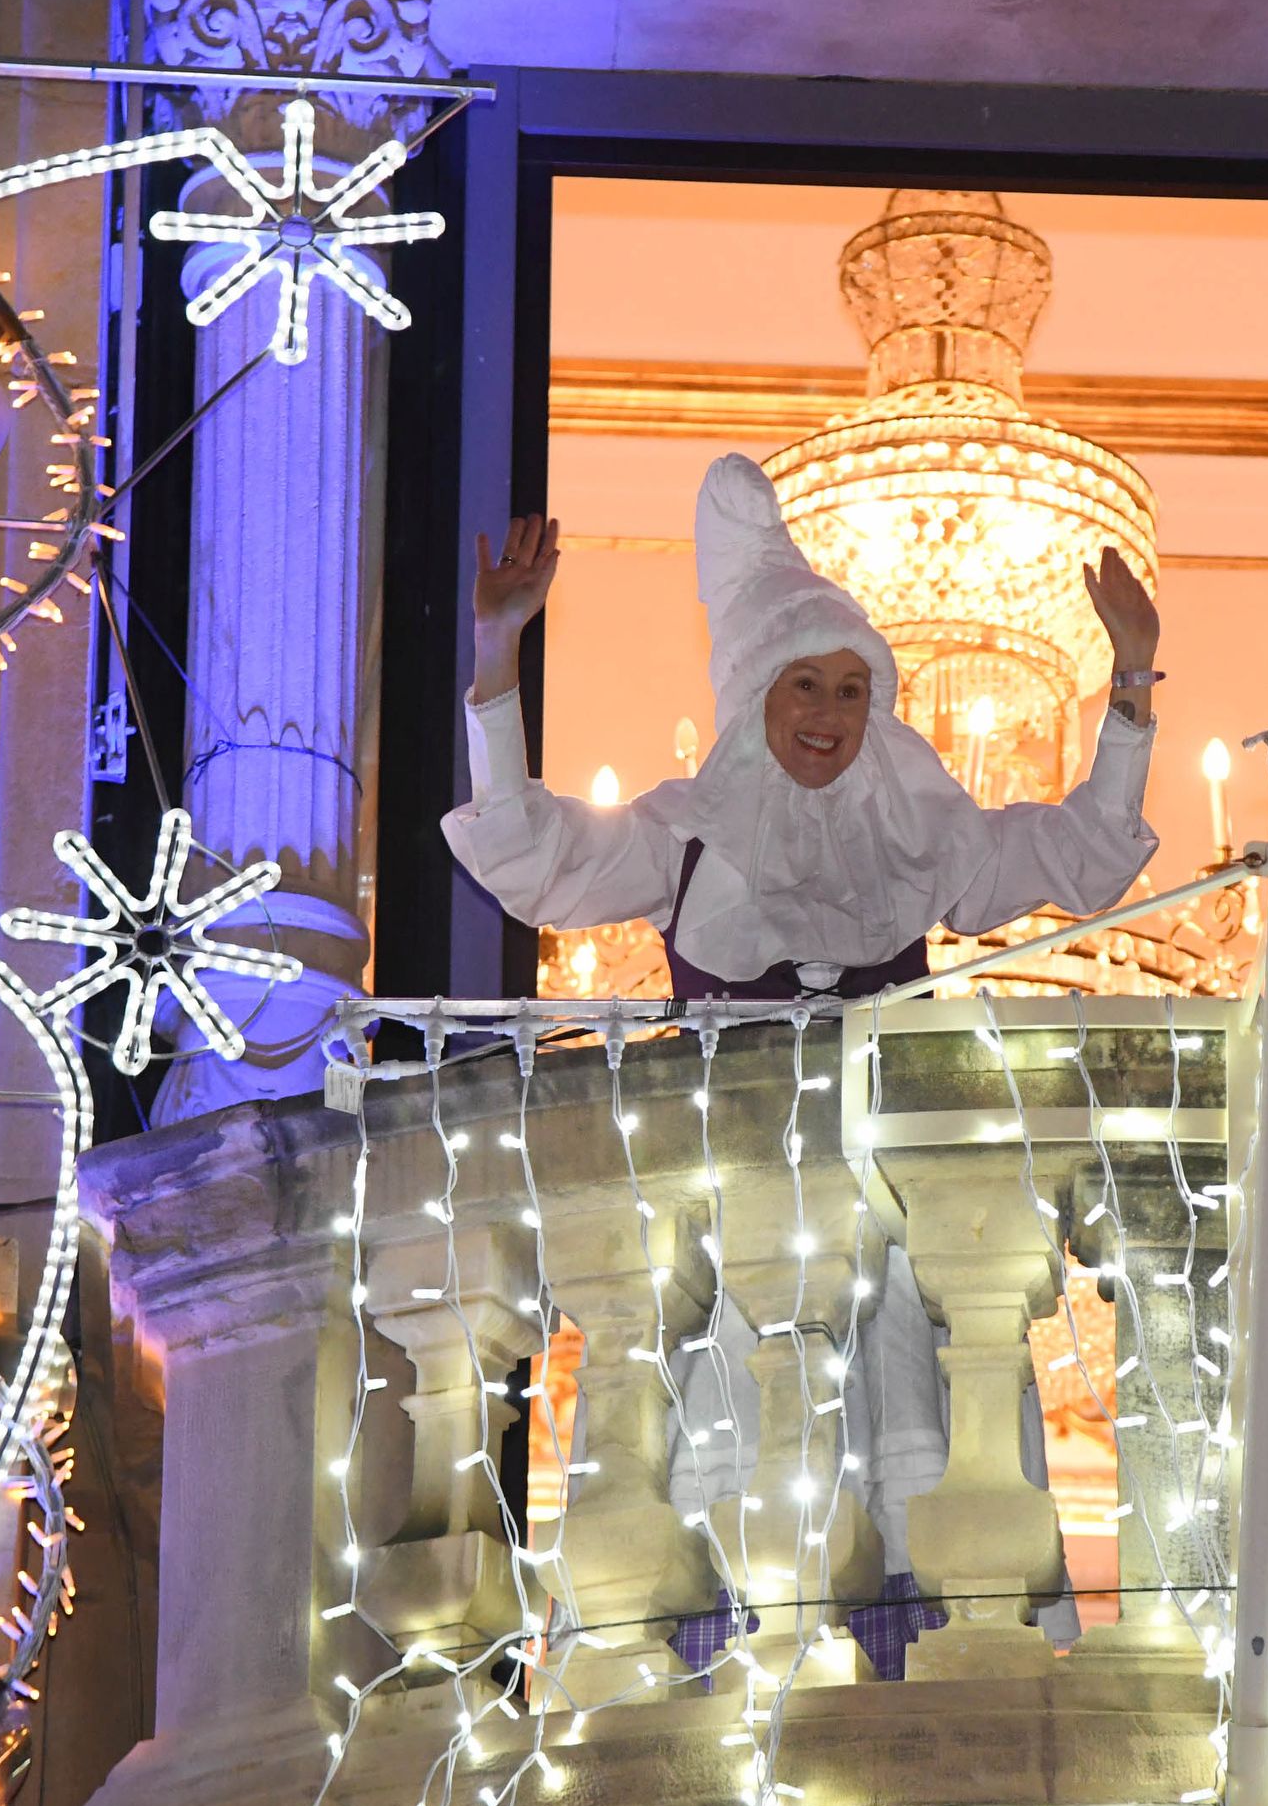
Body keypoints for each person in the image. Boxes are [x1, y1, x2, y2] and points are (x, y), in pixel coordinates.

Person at [444, 452, 1166, 1668]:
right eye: (805, 685)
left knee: (917, 1465)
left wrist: (1131, 679)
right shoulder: (684, 836)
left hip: (896, 1234)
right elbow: (525, 855)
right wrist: (495, 659)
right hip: (742, 1237)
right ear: (755, 694)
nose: (829, 711)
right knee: (750, 1483)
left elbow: (1085, 857)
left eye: (850, 686)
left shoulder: (920, 835)